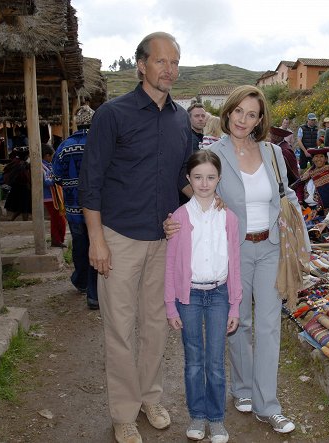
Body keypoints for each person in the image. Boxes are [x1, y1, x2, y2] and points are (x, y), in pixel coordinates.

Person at [79, 31, 192, 443]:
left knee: (156, 325)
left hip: (164, 239)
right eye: (162, 61)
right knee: (120, 329)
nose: (170, 70)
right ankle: (124, 412)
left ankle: (151, 397)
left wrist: (210, 204)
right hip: (119, 237)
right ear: (141, 65)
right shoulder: (113, 114)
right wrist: (96, 239)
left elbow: (182, 176)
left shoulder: (182, 118)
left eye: (175, 62)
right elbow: (90, 181)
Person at [208, 85, 304, 434]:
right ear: (228, 111)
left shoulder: (272, 152)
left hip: (270, 248)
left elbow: (285, 192)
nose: (243, 120)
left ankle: (269, 404)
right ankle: (243, 389)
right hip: (234, 249)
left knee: (268, 325)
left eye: (252, 114)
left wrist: (300, 232)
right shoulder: (214, 153)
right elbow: (198, 187)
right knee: (239, 322)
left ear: (260, 119)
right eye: (238, 111)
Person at [164, 150, 241, 443]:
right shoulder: (180, 217)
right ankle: (197, 414)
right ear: (189, 179)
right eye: (198, 177)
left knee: (215, 362)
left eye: (210, 177)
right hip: (190, 298)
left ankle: (217, 418)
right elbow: (171, 264)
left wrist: (234, 304)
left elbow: (234, 262)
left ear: (218, 179)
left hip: (220, 294)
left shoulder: (228, 217)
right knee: (194, 360)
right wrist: (170, 305)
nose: (204, 183)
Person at [52, 104, 99, 309]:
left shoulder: (64, 146)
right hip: (98, 208)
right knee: (98, 245)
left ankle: (80, 281)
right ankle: (94, 294)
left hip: (74, 208)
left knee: (80, 246)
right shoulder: (100, 143)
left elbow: (56, 177)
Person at [291, 147, 329, 216]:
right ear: (312, 159)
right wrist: (300, 203)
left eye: (321, 156)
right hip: (305, 208)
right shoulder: (308, 173)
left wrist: (317, 208)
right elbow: (299, 187)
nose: (318, 159)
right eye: (316, 156)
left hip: (323, 210)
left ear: (326, 159)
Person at [41, 144, 67, 248]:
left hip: (55, 197)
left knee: (58, 219)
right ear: (47, 155)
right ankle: (56, 240)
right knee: (58, 220)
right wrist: (56, 179)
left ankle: (57, 239)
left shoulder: (48, 165)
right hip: (49, 198)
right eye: (52, 156)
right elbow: (46, 182)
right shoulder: (41, 167)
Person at [3, 146, 31, 221]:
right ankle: (25, 221)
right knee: (24, 206)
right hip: (22, 187)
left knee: (22, 206)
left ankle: (12, 219)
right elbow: (24, 177)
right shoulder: (21, 164)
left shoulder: (16, 162)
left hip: (17, 187)